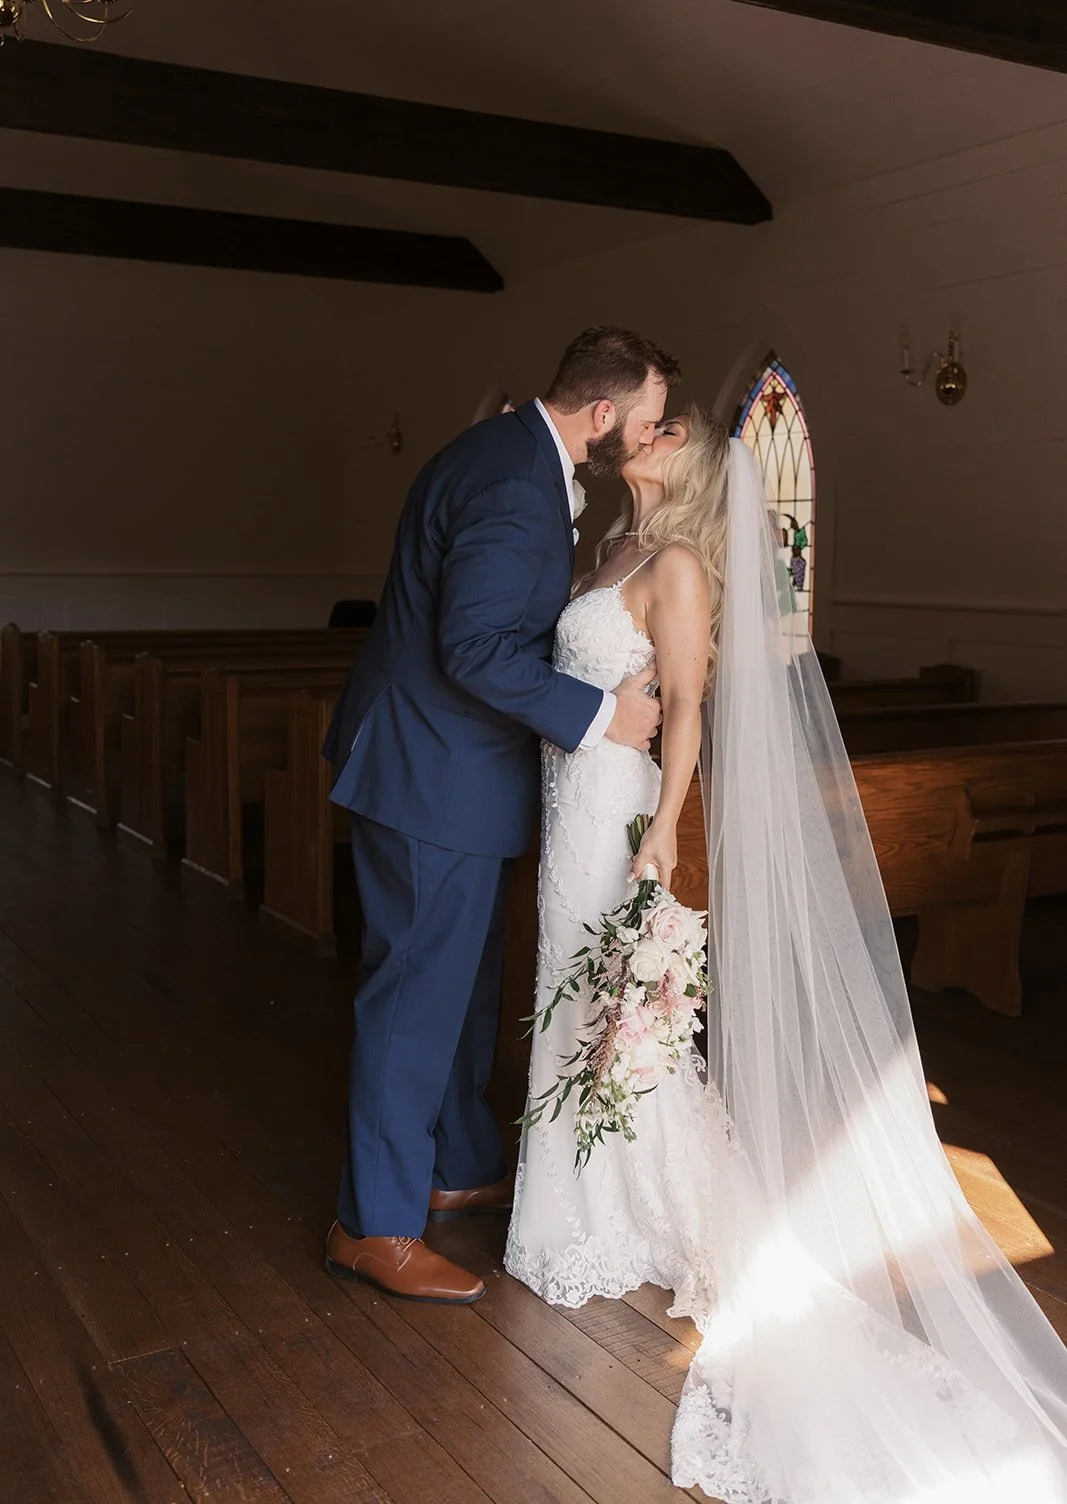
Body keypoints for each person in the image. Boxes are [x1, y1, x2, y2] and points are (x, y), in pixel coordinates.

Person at [507, 408, 1067, 1500]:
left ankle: (617, 1209)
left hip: (618, 810)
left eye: (664, 425)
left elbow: (688, 718)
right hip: (564, 797)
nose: (646, 430)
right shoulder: (605, 547)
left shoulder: (674, 566)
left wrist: (665, 828)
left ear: (694, 468)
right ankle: (582, 1202)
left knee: (614, 1004)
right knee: (569, 993)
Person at [321, 326, 678, 1304]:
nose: (648, 437)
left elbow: (490, 611)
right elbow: (472, 651)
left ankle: (457, 1163)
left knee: (464, 986)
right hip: (428, 776)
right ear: (600, 414)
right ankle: (374, 1224)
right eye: (644, 421)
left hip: (449, 775)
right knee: (411, 1000)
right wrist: (607, 715)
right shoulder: (517, 484)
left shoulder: (508, 455)